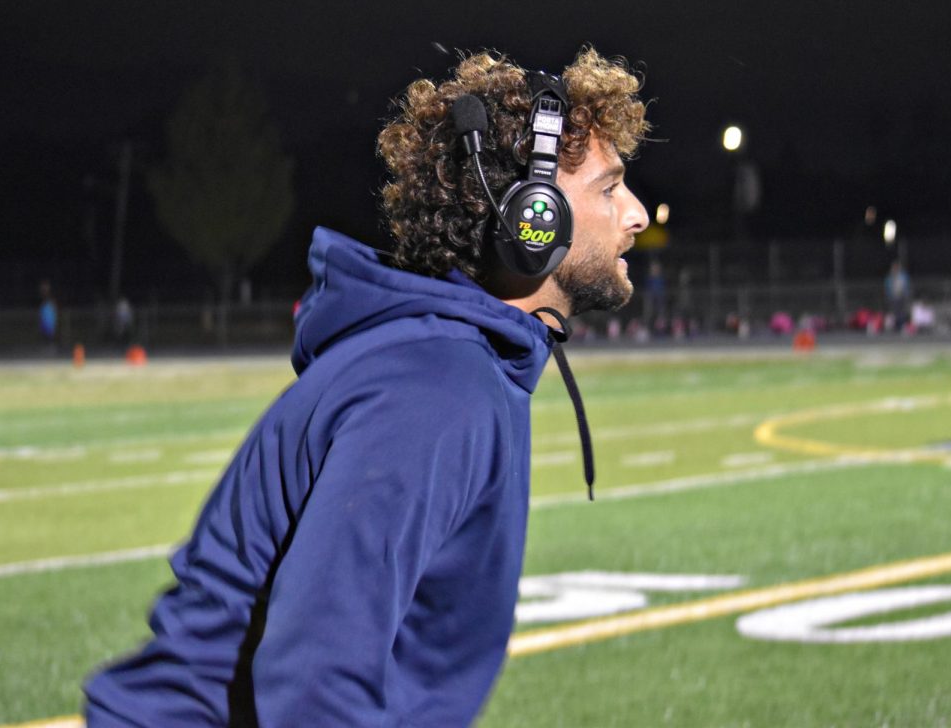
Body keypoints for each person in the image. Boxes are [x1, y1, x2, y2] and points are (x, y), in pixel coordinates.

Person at [83, 47, 650, 726]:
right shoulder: (440, 386)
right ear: (532, 218)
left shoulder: (458, 362)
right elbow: (314, 678)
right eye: (610, 188)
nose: (637, 212)